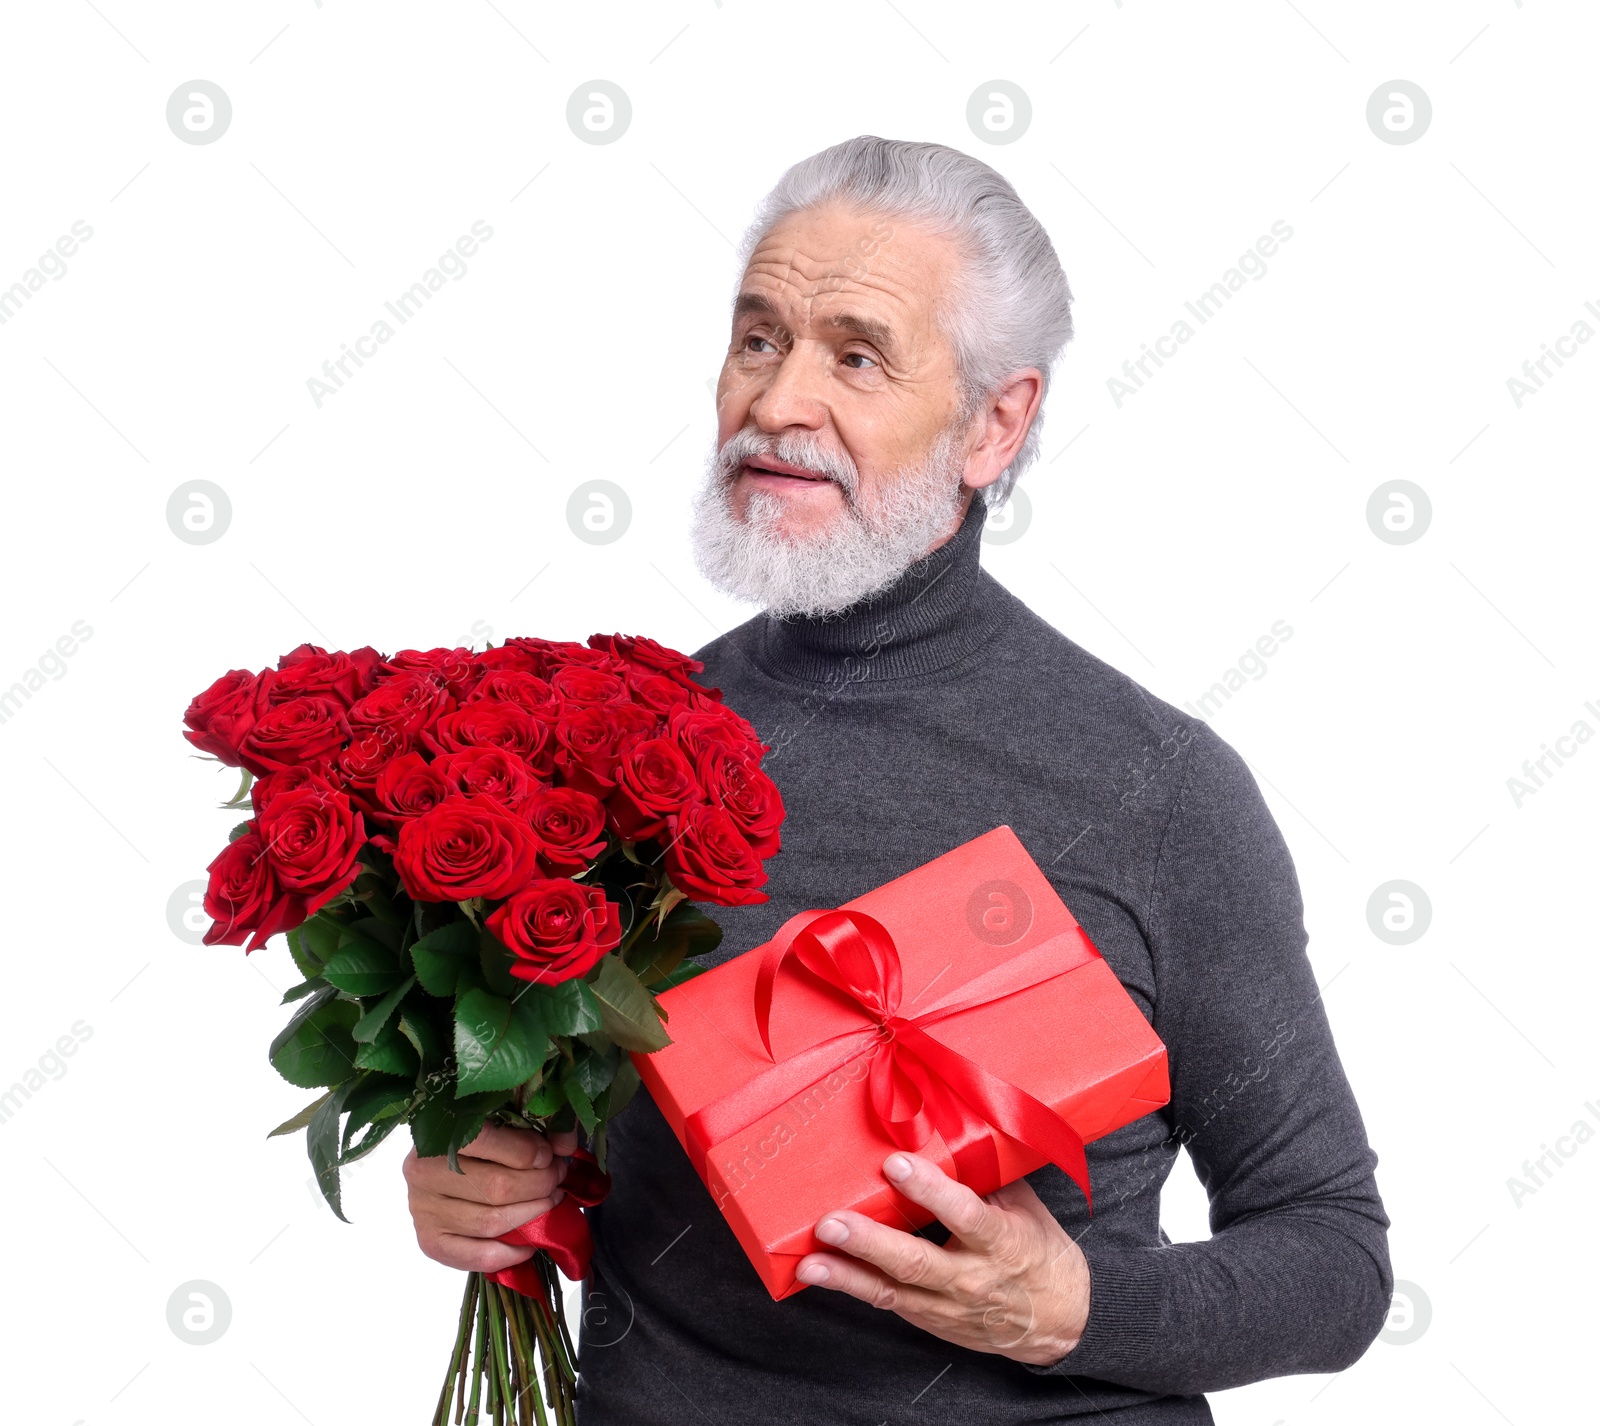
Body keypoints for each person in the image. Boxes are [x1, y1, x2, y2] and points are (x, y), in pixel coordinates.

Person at [404, 136, 1391, 1424]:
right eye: (758, 340)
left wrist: (1078, 1310)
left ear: (996, 423)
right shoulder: (628, 745)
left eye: (855, 356)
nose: (776, 403)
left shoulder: (1159, 790)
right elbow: (584, 1148)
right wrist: (481, 1180)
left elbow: (1334, 1256)